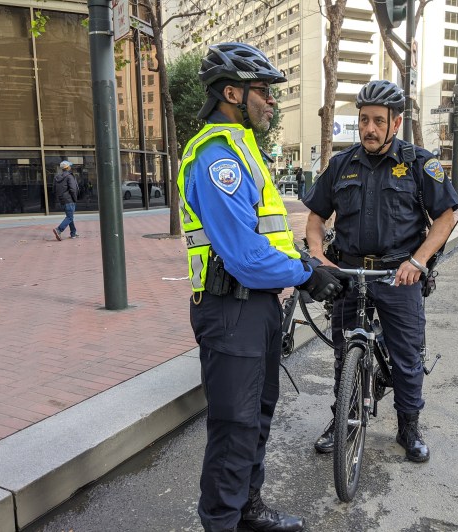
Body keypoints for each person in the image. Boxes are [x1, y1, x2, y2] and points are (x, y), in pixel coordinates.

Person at [177, 42, 350, 532]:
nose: (272, 102)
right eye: (263, 92)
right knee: (234, 427)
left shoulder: (244, 148)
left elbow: (264, 235)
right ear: (232, 93)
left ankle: (247, 509)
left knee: (257, 416)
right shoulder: (218, 158)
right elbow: (243, 255)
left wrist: (306, 260)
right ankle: (223, 521)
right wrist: (306, 275)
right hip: (230, 310)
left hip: (257, 309)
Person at [303, 79, 458, 463]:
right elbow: (314, 218)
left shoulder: (420, 163)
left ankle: (409, 427)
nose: (369, 128)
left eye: (377, 120)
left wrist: (418, 261)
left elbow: (445, 218)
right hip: (348, 274)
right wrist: (318, 256)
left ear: (395, 122)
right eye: (363, 120)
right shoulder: (341, 165)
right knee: (344, 354)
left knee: (406, 357)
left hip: (398, 275)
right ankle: (344, 418)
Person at [52, 160, 79, 240]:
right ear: (67, 167)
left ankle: (73, 233)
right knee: (69, 217)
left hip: (62, 200)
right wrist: (75, 199)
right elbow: (73, 189)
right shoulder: (69, 176)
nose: (71, 167)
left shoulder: (57, 177)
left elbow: (54, 189)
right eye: (70, 166)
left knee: (69, 216)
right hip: (69, 200)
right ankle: (59, 230)